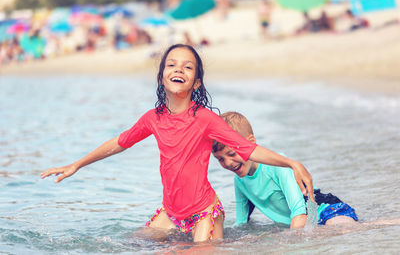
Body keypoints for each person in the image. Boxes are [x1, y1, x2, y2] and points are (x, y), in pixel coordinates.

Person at [40, 44, 314, 242]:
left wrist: (291, 162)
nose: (178, 69)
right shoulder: (153, 119)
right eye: (171, 64)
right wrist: (77, 164)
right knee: (131, 243)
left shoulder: (205, 119)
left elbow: (248, 149)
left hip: (204, 211)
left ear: (196, 82)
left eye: (187, 66)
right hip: (171, 213)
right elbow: (119, 143)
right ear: (161, 77)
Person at [212, 111, 358, 229]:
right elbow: (241, 224)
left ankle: (378, 226)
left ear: (250, 143)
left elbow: (299, 212)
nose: (228, 163)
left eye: (231, 154)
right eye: (220, 159)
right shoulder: (239, 181)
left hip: (326, 211)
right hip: (304, 222)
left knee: (340, 228)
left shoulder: (277, 166)